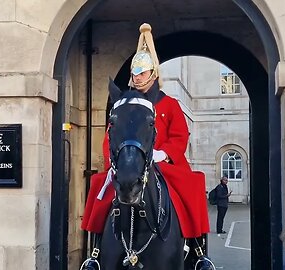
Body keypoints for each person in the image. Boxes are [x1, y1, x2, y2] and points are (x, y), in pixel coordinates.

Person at [81, 23, 210, 269]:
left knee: (192, 184)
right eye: (135, 73)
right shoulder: (124, 104)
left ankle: (197, 250)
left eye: (142, 73)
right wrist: (114, 161)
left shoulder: (170, 104)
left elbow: (180, 135)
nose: (137, 78)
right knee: (100, 185)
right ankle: (95, 251)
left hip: (162, 162)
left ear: (153, 74)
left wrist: (164, 153)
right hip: (129, 160)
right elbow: (111, 135)